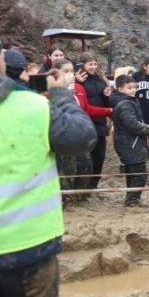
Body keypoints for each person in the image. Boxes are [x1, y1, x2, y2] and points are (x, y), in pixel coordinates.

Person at [0, 30, 96, 297]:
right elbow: (83, 137)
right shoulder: (35, 106)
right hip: (30, 248)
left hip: (30, 248)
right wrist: (61, 95)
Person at [111, 74, 149, 207]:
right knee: (139, 175)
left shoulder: (128, 102)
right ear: (120, 89)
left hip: (129, 142)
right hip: (130, 143)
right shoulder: (125, 104)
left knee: (132, 174)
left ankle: (131, 199)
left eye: (134, 87)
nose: (133, 90)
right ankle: (132, 200)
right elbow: (133, 125)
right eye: (129, 88)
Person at [52, 59, 97, 197]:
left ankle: (80, 195)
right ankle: (65, 197)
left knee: (86, 165)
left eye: (71, 71)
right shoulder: (51, 90)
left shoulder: (78, 88)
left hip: (78, 132)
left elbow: (85, 108)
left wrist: (108, 111)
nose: (70, 74)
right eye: (66, 71)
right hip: (62, 133)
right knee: (67, 168)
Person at [77, 53, 113, 190]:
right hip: (85, 123)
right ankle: (82, 187)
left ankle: (93, 187)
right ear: (83, 65)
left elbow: (107, 102)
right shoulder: (78, 81)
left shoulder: (100, 80)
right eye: (89, 64)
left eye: (94, 64)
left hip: (100, 123)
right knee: (86, 159)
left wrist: (107, 96)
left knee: (99, 158)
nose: (92, 67)